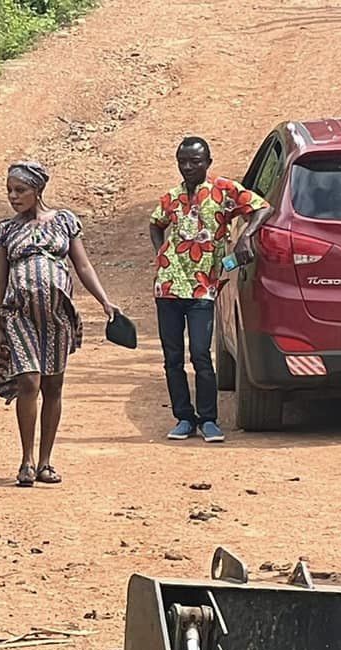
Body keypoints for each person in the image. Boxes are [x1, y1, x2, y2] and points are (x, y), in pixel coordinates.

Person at [0, 160, 120, 487]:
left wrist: (104, 300)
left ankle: (46, 462)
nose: (13, 197)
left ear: (38, 190)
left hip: (56, 316)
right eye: (9, 191)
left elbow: (84, 266)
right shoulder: (6, 231)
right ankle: (26, 461)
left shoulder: (63, 222)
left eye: (20, 190)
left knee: (53, 386)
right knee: (29, 383)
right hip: (20, 315)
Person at [150, 136, 270, 443]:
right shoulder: (171, 197)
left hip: (203, 287)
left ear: (208, 162)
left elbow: (261, 208)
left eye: (195, 161)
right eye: (183, 161)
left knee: (201, 353)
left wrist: (246, 238)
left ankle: (209, 419)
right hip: (168, 287)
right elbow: (156, 223)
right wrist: (160, 254)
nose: (188, 167)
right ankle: (183, 418)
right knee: (172, 357)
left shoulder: (224, 191)